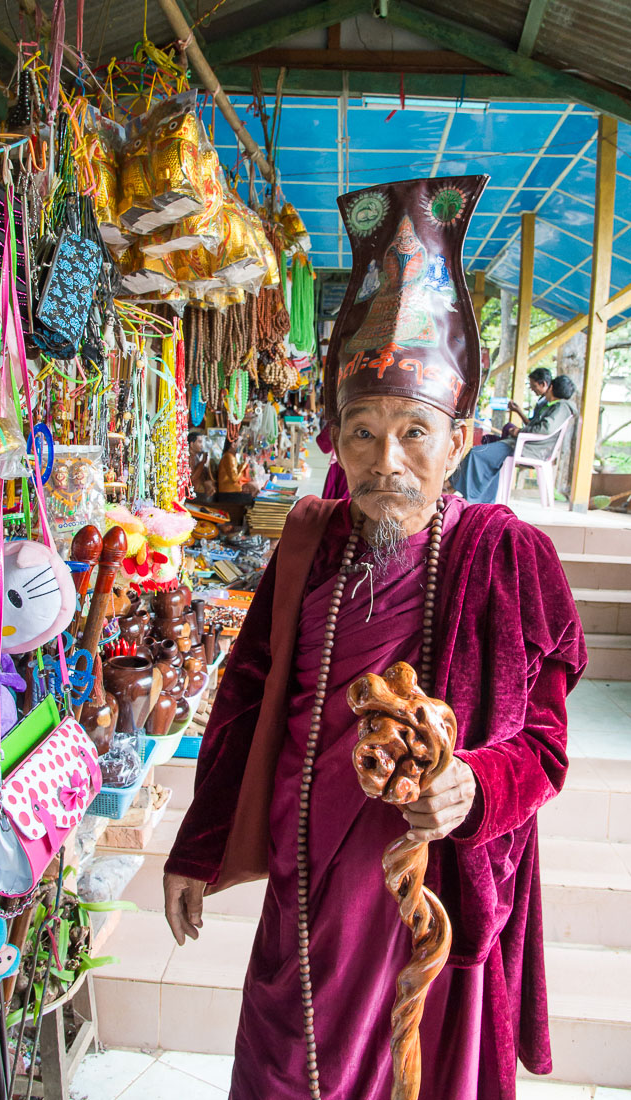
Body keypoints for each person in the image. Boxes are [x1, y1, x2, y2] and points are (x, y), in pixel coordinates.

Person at [164, 175, 585, 1100]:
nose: (384, 459)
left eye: (413, 432)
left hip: (423, 903)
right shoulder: (309, 540)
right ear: (335, 437)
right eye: (361, 430)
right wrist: (198, 845)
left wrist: (475, 784)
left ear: (460, 437)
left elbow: (545, 750)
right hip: (304, 894)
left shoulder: (503, 558)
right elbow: (244, 695)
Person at [452, 374, 577, 503]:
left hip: (527, 447)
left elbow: (546, 428)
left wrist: (519, 432)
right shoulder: (557, 406)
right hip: (523, 444)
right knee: (487, 449)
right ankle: (469, 493)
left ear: (550, 387)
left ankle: (471, 497)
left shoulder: (562, 407)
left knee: (477, 453)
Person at [482, 367, 553, 443]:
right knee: (502, 430)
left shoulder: (547, 404)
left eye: (534, 386)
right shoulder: (542, 401)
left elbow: (532, 426)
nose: (532, 389)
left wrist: (518, 412)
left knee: (489, 438)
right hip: (529, 435)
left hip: (532, 442)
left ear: (543, 384)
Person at [217, 436, 258, 501]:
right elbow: (234, 478)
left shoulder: (231, 457)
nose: (242, 446)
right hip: (229, 493)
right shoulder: (229, 457)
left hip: (232, 491)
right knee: (253, 499)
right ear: (233, 445)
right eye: (240, 443)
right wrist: (244, 464)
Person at [315, 422, 349, 500]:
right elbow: (324, 446)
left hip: (343, 468)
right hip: (346, 468)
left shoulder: (338, 417)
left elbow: (324, 446)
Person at [188, 431, 215, 501]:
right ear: (191, 444)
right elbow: (191, 478)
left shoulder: (196, 456)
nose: (202, 445)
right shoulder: (189, 457)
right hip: (192, 491)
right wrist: (202, 462)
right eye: (199, 442)